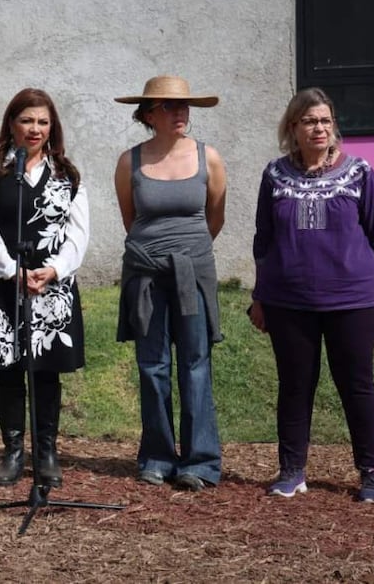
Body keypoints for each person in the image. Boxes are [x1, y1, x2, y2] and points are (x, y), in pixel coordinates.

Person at [249, 87, 374, 503]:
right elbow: (263, 240)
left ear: (333, 126)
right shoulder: (275, 175)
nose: (318, 128)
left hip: (354, 300)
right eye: (309, 122)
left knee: (357, 386)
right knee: (295, 385)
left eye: (325, 121)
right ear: (293, 128)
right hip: (288, 301)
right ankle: (292, 470)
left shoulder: (360, 172)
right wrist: (260, 295)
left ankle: (371, 474)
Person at [0, 88, 89, 488]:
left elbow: (78, 235)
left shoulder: (67, 175)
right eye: (27, 120)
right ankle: (13, 450)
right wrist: (12, 271)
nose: (34, 129)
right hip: (5, 285)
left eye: (42, 121)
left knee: (47, 370)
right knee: (8, 369)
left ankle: (48, 451)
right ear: (11, 124)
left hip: (51, 288)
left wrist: (53, 270)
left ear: (52, 127)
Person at [113, 75, 227, 492]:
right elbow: (132, 220)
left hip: (192, 274)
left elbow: (215, 217)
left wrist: (187, 256)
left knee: (196, 365)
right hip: (145, 275)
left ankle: (201, 461)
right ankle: (157, 458)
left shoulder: (208, 158)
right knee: (152, 366)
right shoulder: (131, 162)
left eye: (184, 106)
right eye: (169, 106)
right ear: (148, 115)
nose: (180, 113)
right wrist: (157, 254)